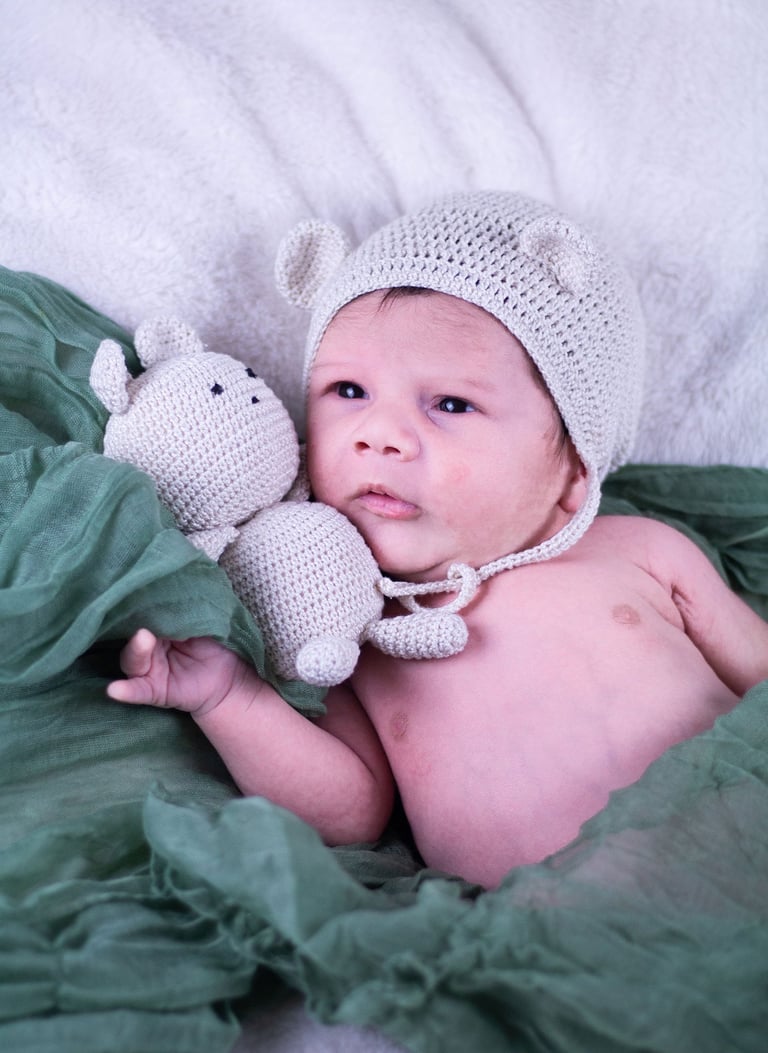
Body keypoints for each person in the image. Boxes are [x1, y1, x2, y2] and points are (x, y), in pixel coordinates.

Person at [106, 192, 768, 888]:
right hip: (559, 930)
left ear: (574, 469)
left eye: (451, 403)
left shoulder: (637, 551)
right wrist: (229, 699)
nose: (378, 434)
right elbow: (350, 814)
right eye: (349, 391)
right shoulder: (352, 624)